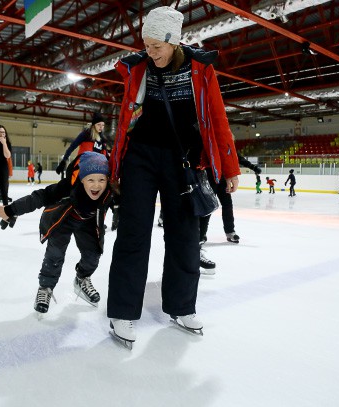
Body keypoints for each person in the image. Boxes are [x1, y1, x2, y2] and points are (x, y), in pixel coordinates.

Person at [106, 6, 241, 346]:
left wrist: (229, 168)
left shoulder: (200, 69)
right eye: (147, 46)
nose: (151, 53)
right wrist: (116, 167)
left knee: (183, 236)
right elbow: (125, 120)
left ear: (174, 41)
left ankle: (181, 307)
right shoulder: (138, 68)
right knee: (133, 233)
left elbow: (217, 116)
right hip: (141, 157)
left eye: (157, 47)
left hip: (183, 161)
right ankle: (122, 310)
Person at [0, 152, 114, 314]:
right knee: (54, 255)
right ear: (82, 179)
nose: (96, 186)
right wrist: (11, 210)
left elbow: (123, 205)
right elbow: (39, 197)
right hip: (63, 220)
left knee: (93, 255)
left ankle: (81, 278)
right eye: (91, 180)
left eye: (101, 180)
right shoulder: (67, 187)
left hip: (88, 223)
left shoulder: (108, 192)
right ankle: (45, 288)